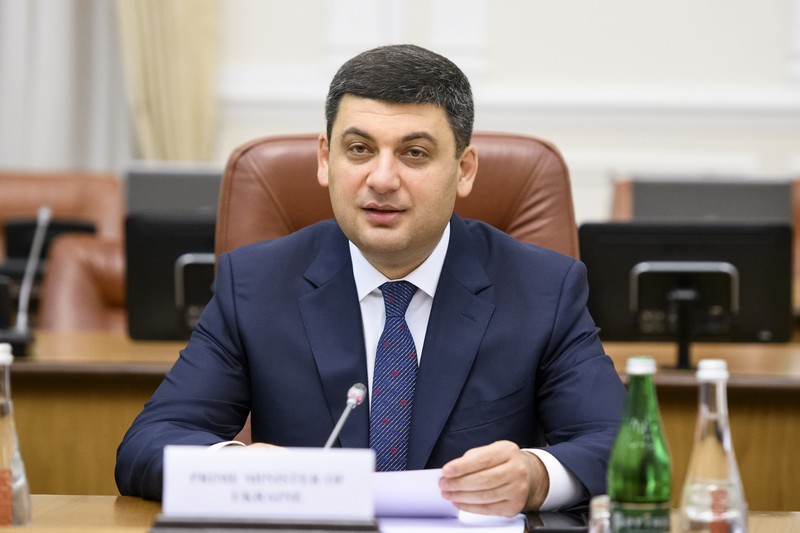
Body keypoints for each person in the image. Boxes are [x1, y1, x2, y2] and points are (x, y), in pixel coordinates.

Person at [115, 44, 625, 516]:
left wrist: (536, 477)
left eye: (414, 153)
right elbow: (147, 444)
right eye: (359, 149)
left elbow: (620, 445)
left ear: (464, 169)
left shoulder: (541, 288)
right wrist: (236, 466)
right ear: (325, 160)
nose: (381, 179)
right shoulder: (255, 284)